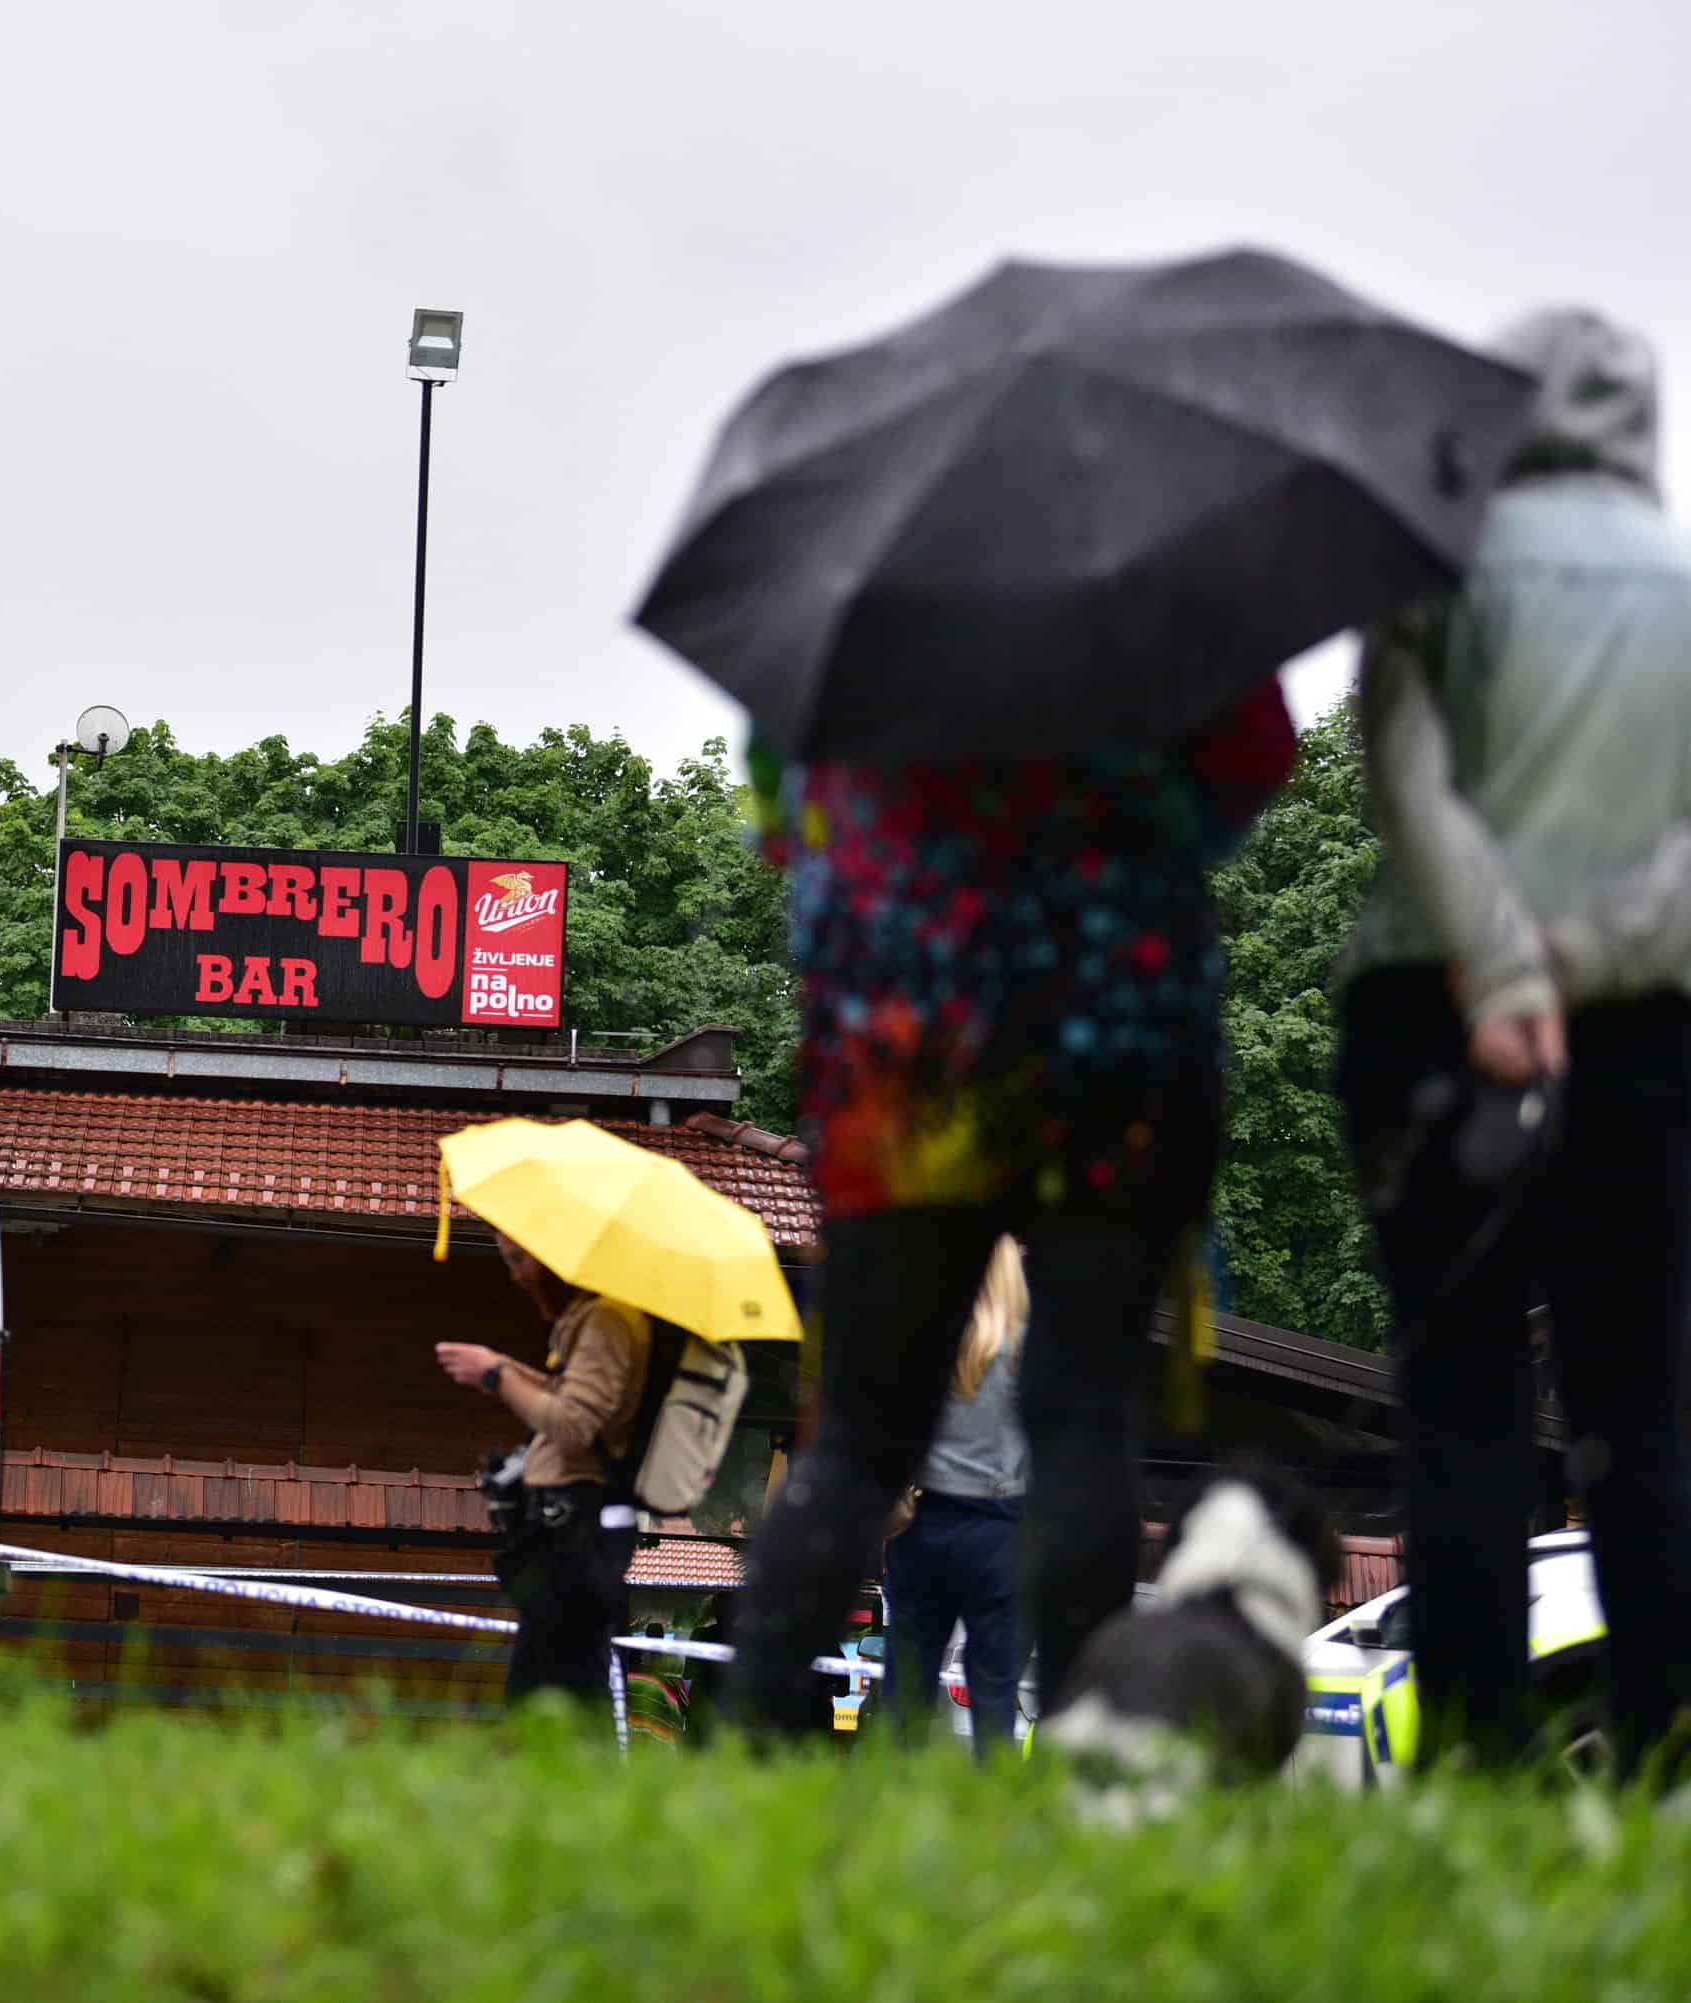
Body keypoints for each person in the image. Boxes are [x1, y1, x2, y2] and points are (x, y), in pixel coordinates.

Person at [725, 681, 1297, 1739]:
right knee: (1084, 1413)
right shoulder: (1152, 598)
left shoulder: (865, 592)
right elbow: (1249, 766)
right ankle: (1091, 1739)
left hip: (907, 1050)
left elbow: (779, 812)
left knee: (860, 1433)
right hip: (1117, 1040)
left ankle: (752, 1718)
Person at [1336, 304, 1691, 1779]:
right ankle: (1668, 1769)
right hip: (1649, 1030)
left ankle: (1475, 1774)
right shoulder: (1681, 587)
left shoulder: (1432, 563)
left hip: (1432, 1011)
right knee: (1645, 1409)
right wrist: (1583, 956)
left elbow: (1404, 782)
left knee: (1461, 1403)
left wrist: (1497, 969)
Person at [436, 1235, 653, 1713]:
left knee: (568, 1686)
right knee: (534, 1689)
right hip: (563, 1531)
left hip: (578, 1529)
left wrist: (497, 1376)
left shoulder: (607, 1320)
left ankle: (581, 1781)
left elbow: (574, 1424)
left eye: (519, 1260)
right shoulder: (593, 1317)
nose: (515, 1275)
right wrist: (502, 1367)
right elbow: (565, 1397)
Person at [878, 1236, 1030, 1757]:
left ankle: (890, 1811)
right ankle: (992, 1821)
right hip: (1002, 1531)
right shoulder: (1031, 1350)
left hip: (922, 1523)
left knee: (905, 1691)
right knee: (994, 1690)